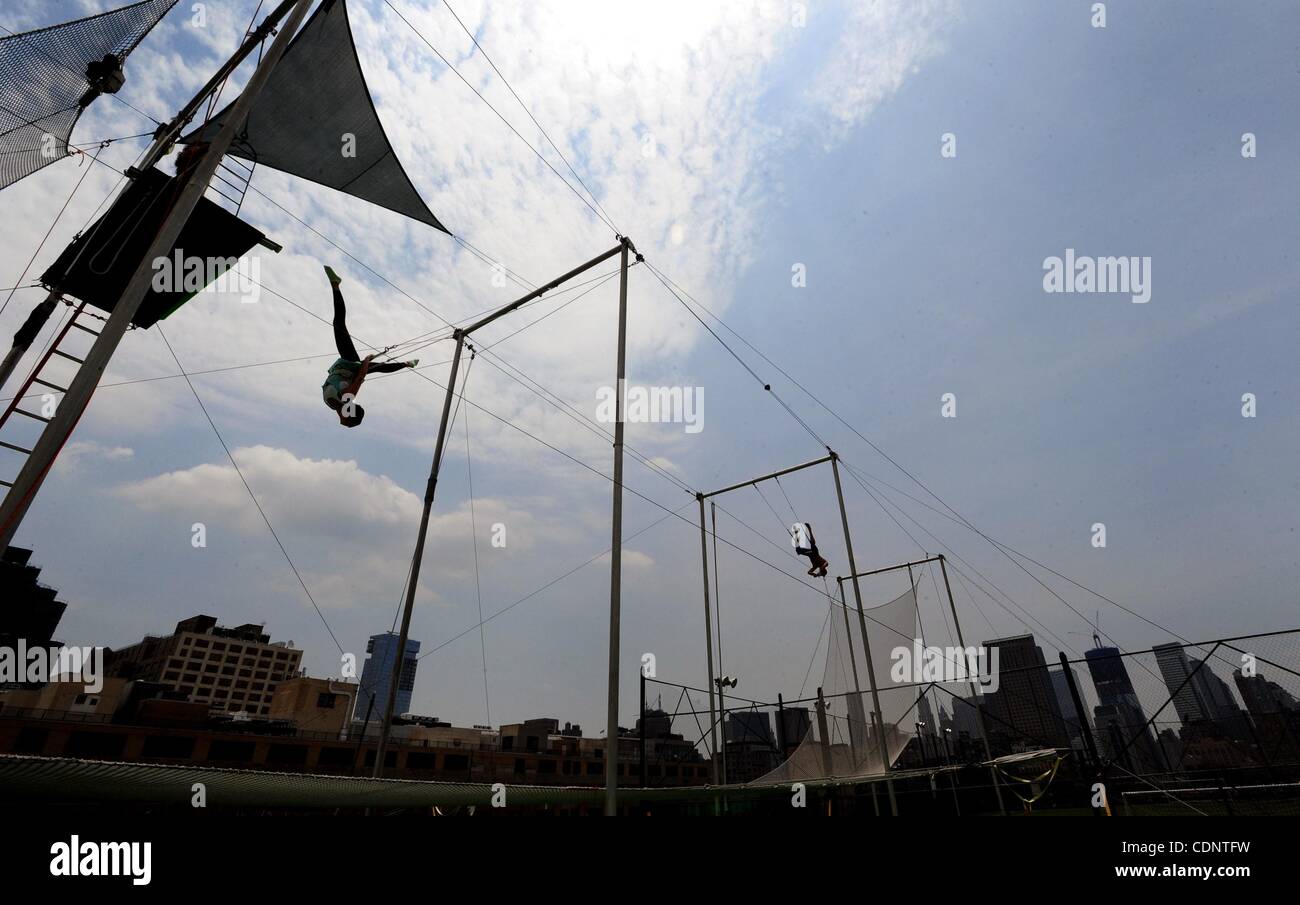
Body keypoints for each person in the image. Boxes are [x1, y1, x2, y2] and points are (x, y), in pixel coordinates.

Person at [321, 266, 417, 427]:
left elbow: (358, 377)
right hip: (349, 363)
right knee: (338, 324)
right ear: (348, 413)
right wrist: (365, 361)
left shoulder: (333, 403)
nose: (340, 420)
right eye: (343, 419)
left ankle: (407, 363)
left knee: (378, 367)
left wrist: (365, 365)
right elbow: (360, 378)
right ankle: (335, 285)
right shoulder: (347, 397)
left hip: (348, 367)